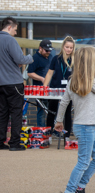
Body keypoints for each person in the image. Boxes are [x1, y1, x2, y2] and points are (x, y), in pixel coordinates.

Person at [55, 46, 95, 193]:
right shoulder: (91, 81)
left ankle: (79, 188)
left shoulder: (73, 80)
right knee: (84, 161)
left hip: (85, 126)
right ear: (91, 63)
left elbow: (64, 102)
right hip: (85, 127)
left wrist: (58, 121)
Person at [0, 16, 33, 151]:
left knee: (2, 113)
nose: (15, 32)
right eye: (15, 29)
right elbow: (20, 59)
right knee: (16, 113)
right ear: (9, 27)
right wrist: (30, 57)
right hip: (13, 83)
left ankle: (0, 141)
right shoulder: (10, 40)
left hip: (1, 83)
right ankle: (14, 143)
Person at [43, 36, 75, 139]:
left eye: (71, 47)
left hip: (68, 91)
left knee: (67, 113)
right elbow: (49, 73)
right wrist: (44, 87)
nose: (69, 49)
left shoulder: (75, 60)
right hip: (55, 90)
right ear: (63, 47)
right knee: (51, 112)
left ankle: (67, 136)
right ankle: (49, 134)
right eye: (67, 47)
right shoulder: (55, 58)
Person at [27, 39, 53, 127]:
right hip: (39, 89)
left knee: (52, 110)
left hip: (51, 89)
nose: (48, 52)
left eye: (49, 50)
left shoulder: (50, 57)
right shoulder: (35, 58)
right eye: (46, 50)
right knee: (41, 111)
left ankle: (51, 130)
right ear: (40, 48)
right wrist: (42, 79)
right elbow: (29, 73)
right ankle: (41, 131)